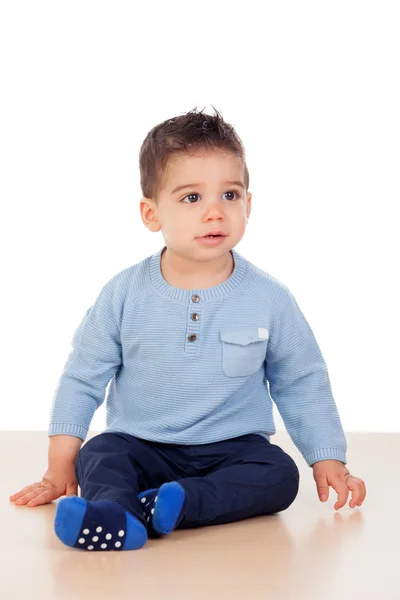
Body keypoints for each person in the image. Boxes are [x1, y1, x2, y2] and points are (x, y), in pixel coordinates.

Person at [9, 106, 367, 551]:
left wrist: (328, 457)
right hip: (142, 445)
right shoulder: (123, 294)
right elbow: (82, 378)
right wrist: (57, 467)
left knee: (279, 474)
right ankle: (118, 514)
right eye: (192, 198)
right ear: (151, 213)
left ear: (249, 204)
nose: (215, 212)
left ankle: (176, 504)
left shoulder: (269, 298)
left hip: (232, 449)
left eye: (230, 195)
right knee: (99, 455)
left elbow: (301, 379)